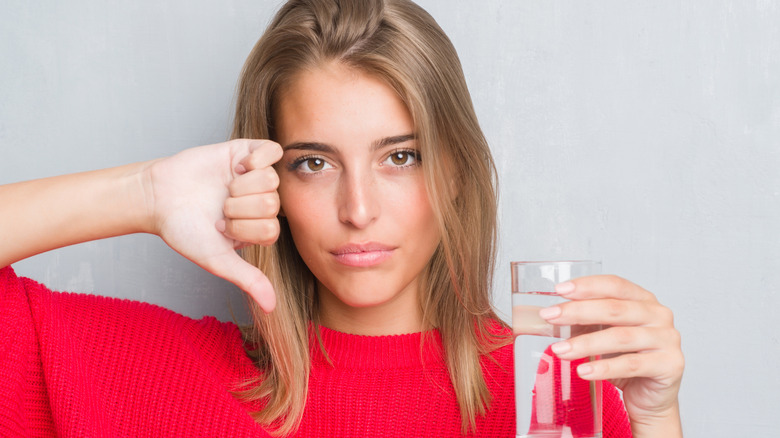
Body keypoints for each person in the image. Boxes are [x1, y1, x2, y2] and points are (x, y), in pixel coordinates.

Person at [0, 0, 684, 436]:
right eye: (313, 163)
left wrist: (656, 419)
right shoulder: (152, 378)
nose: (358, 210)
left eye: (401, 156)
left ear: (456, 173)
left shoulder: (552, 398)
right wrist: (143, 194)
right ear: (268, 183)